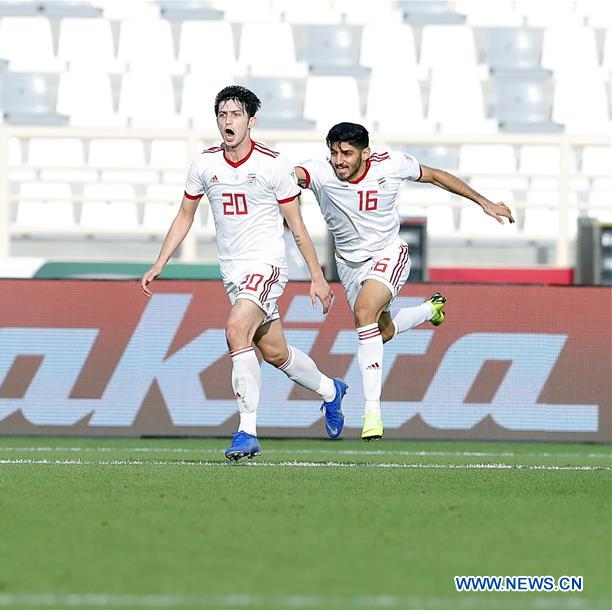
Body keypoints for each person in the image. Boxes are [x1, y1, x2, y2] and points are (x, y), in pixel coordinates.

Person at [141, 86, 348, 461]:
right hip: (233, 273)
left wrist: (317, 277)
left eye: (235, 115)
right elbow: (185, 214)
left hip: (266, 266)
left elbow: (297, 225)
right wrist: (160, 262)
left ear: (251, 121)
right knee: (275, 353)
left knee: (236, 330)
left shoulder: (273, 164)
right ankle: (332, 391)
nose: (227, 122)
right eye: (222, 115)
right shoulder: (205, 164)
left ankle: (246, 431)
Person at [295, 122, 515, 441]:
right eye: (333, 152)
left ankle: (372, 411)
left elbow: (436, 175)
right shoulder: (320, 172)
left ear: (364, 153)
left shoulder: (390, 165)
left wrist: (484, 202)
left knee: (364, 314)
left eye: (346, 153)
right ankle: (429, 310)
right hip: (349, 266)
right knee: (378, 331)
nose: (339, 160)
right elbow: (289, 177)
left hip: (388, 254)